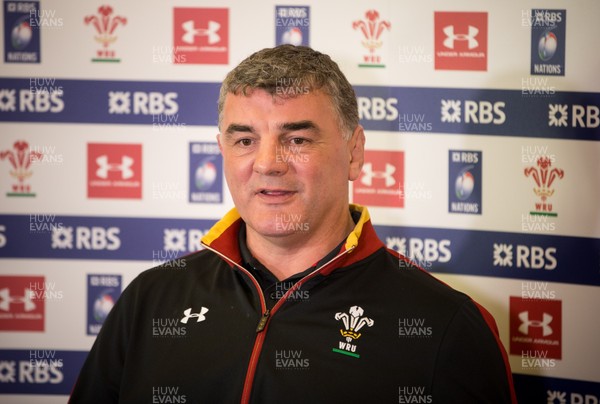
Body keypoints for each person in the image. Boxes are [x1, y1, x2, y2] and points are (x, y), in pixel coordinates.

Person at [70, 45, 517, 403]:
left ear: (354, 153)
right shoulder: (150, 299)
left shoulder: (447, 326)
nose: (268, 164)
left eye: (297, 139)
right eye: (245, 139)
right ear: (222, 150)